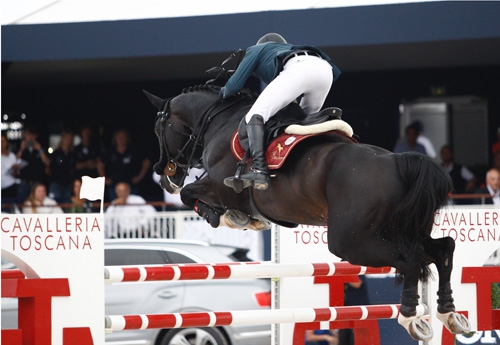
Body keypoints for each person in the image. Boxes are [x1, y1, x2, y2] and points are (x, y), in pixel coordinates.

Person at [220, 33, 341, 190]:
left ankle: (258, 170)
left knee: (254, 116)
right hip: (325, 70)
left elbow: (234, 85)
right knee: (304, 122)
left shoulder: (257, 49)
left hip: (299, 67)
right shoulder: (284, 50)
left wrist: (224, 91)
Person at [98, 128, 151, 201]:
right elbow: (100, 164)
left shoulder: (133, 151)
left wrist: (140, 177)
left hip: (131, 186)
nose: (121, 139)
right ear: (115, 139)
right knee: (115, 207)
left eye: (123, 137)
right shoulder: (110, 152)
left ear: (127, 139)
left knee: (132, 207)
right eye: (118, 137)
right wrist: (104, 179)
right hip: (114, 187)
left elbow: (146, 162)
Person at [16, 125, 50, 202]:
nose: (30, 138)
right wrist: (21, 149)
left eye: (32, 135)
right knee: (23, 204)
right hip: (24, 183)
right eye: (28, 135)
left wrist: (40, 149)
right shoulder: (20, 147)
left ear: (36, 136)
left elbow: (47, 163)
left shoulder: (41, 147)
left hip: (37, 183)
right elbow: (14, 163)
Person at [339, 277, 370, 345]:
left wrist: (343, 277)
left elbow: (357, 284)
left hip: (359, 312)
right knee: (343, 339)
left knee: (357, 339)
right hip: (345, 311)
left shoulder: (358, 269)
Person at [48, 129, 76, 204]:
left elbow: (73, 169)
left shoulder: (72, 155)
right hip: (56, 184)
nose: (68, 141)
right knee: (54, 205)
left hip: (67, 185)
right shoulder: (56, 153)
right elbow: (48, 168)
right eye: (67, 138)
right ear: (62, 139)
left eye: (70, 139)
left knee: (67, 206)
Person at [1, 132, 20, 202]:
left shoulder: (12, 155)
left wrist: (15, 169)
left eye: (3, 141)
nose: (2, 143)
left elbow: (16, 174)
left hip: (10, 185)